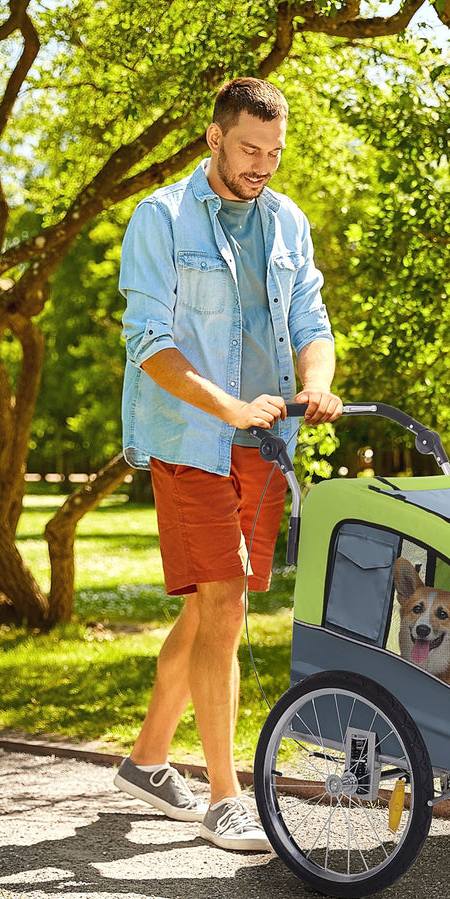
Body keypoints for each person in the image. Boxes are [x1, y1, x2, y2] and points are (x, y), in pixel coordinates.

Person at [114, 77, 341, 851]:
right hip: (192, 443)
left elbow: (311, 318)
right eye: (250, 149)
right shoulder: (162, 219)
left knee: (211, 607)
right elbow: (149, 343)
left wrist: (316, 385)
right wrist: (230, 408)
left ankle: (147, 761)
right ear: (214, 137)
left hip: (265, 447)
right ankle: (222, 796)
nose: (263, 166)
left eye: (275, 153)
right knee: (226, 610)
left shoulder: (285, 222)